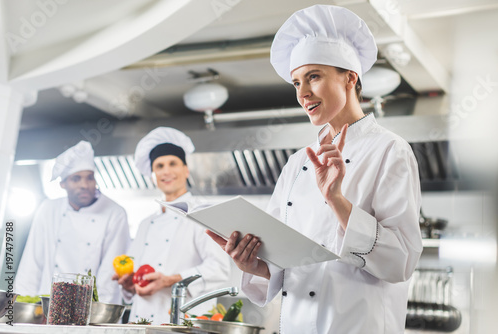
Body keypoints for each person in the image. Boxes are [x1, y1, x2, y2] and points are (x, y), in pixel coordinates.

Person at [207, 5, 423, 333]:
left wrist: (338, 201)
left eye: (314, 76)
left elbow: (402, 262)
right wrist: (254, 264)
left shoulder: (390, 151)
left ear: (350, 78)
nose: (303, 93)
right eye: (296, 82)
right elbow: (285, 264)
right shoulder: (298, 163)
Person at [114, 127, 230, 324]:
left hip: (182, 322)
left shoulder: (203, 214)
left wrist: (170, 280)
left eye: (172, 163)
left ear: (186, 170)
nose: (166, 171)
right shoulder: (145, 224)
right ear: (152, 175)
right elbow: (136, 282)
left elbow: (219, 269)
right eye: (159, 166)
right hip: (141, 322)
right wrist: (129, 284)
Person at [16, 140, 131, 304]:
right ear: (63, 184)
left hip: (88, 308)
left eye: (89, 178)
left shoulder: (115, 213)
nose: (84, 185)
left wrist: (100, 318)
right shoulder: (49, 209)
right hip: (48, 306)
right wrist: (21, 308)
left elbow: (109, 275)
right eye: (76, 179)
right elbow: (31, 264)